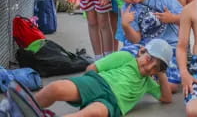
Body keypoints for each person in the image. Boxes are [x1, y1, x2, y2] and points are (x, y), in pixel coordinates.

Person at [35, 39, 173, 117]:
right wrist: (84, 88)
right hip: (97, 83)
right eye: (149, 59)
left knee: (95, 112)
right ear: (141, 51)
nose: (149, 68)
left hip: (113, 103)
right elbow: (93, 68)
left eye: (156, 68)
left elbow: (166, 98)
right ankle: (29, 106)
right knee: (56, 88)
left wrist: (161, 73)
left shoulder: (147, 83)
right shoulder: (125, 57)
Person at [109, 0, 183, 93]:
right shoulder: (127, 8)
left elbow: (185, 18)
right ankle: (145, 77)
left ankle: (143, 80)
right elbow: (136, 39)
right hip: (145, 48)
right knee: (122, 58)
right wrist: (125, 25)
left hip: (168, 46)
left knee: (171, 87)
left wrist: (172, 18)